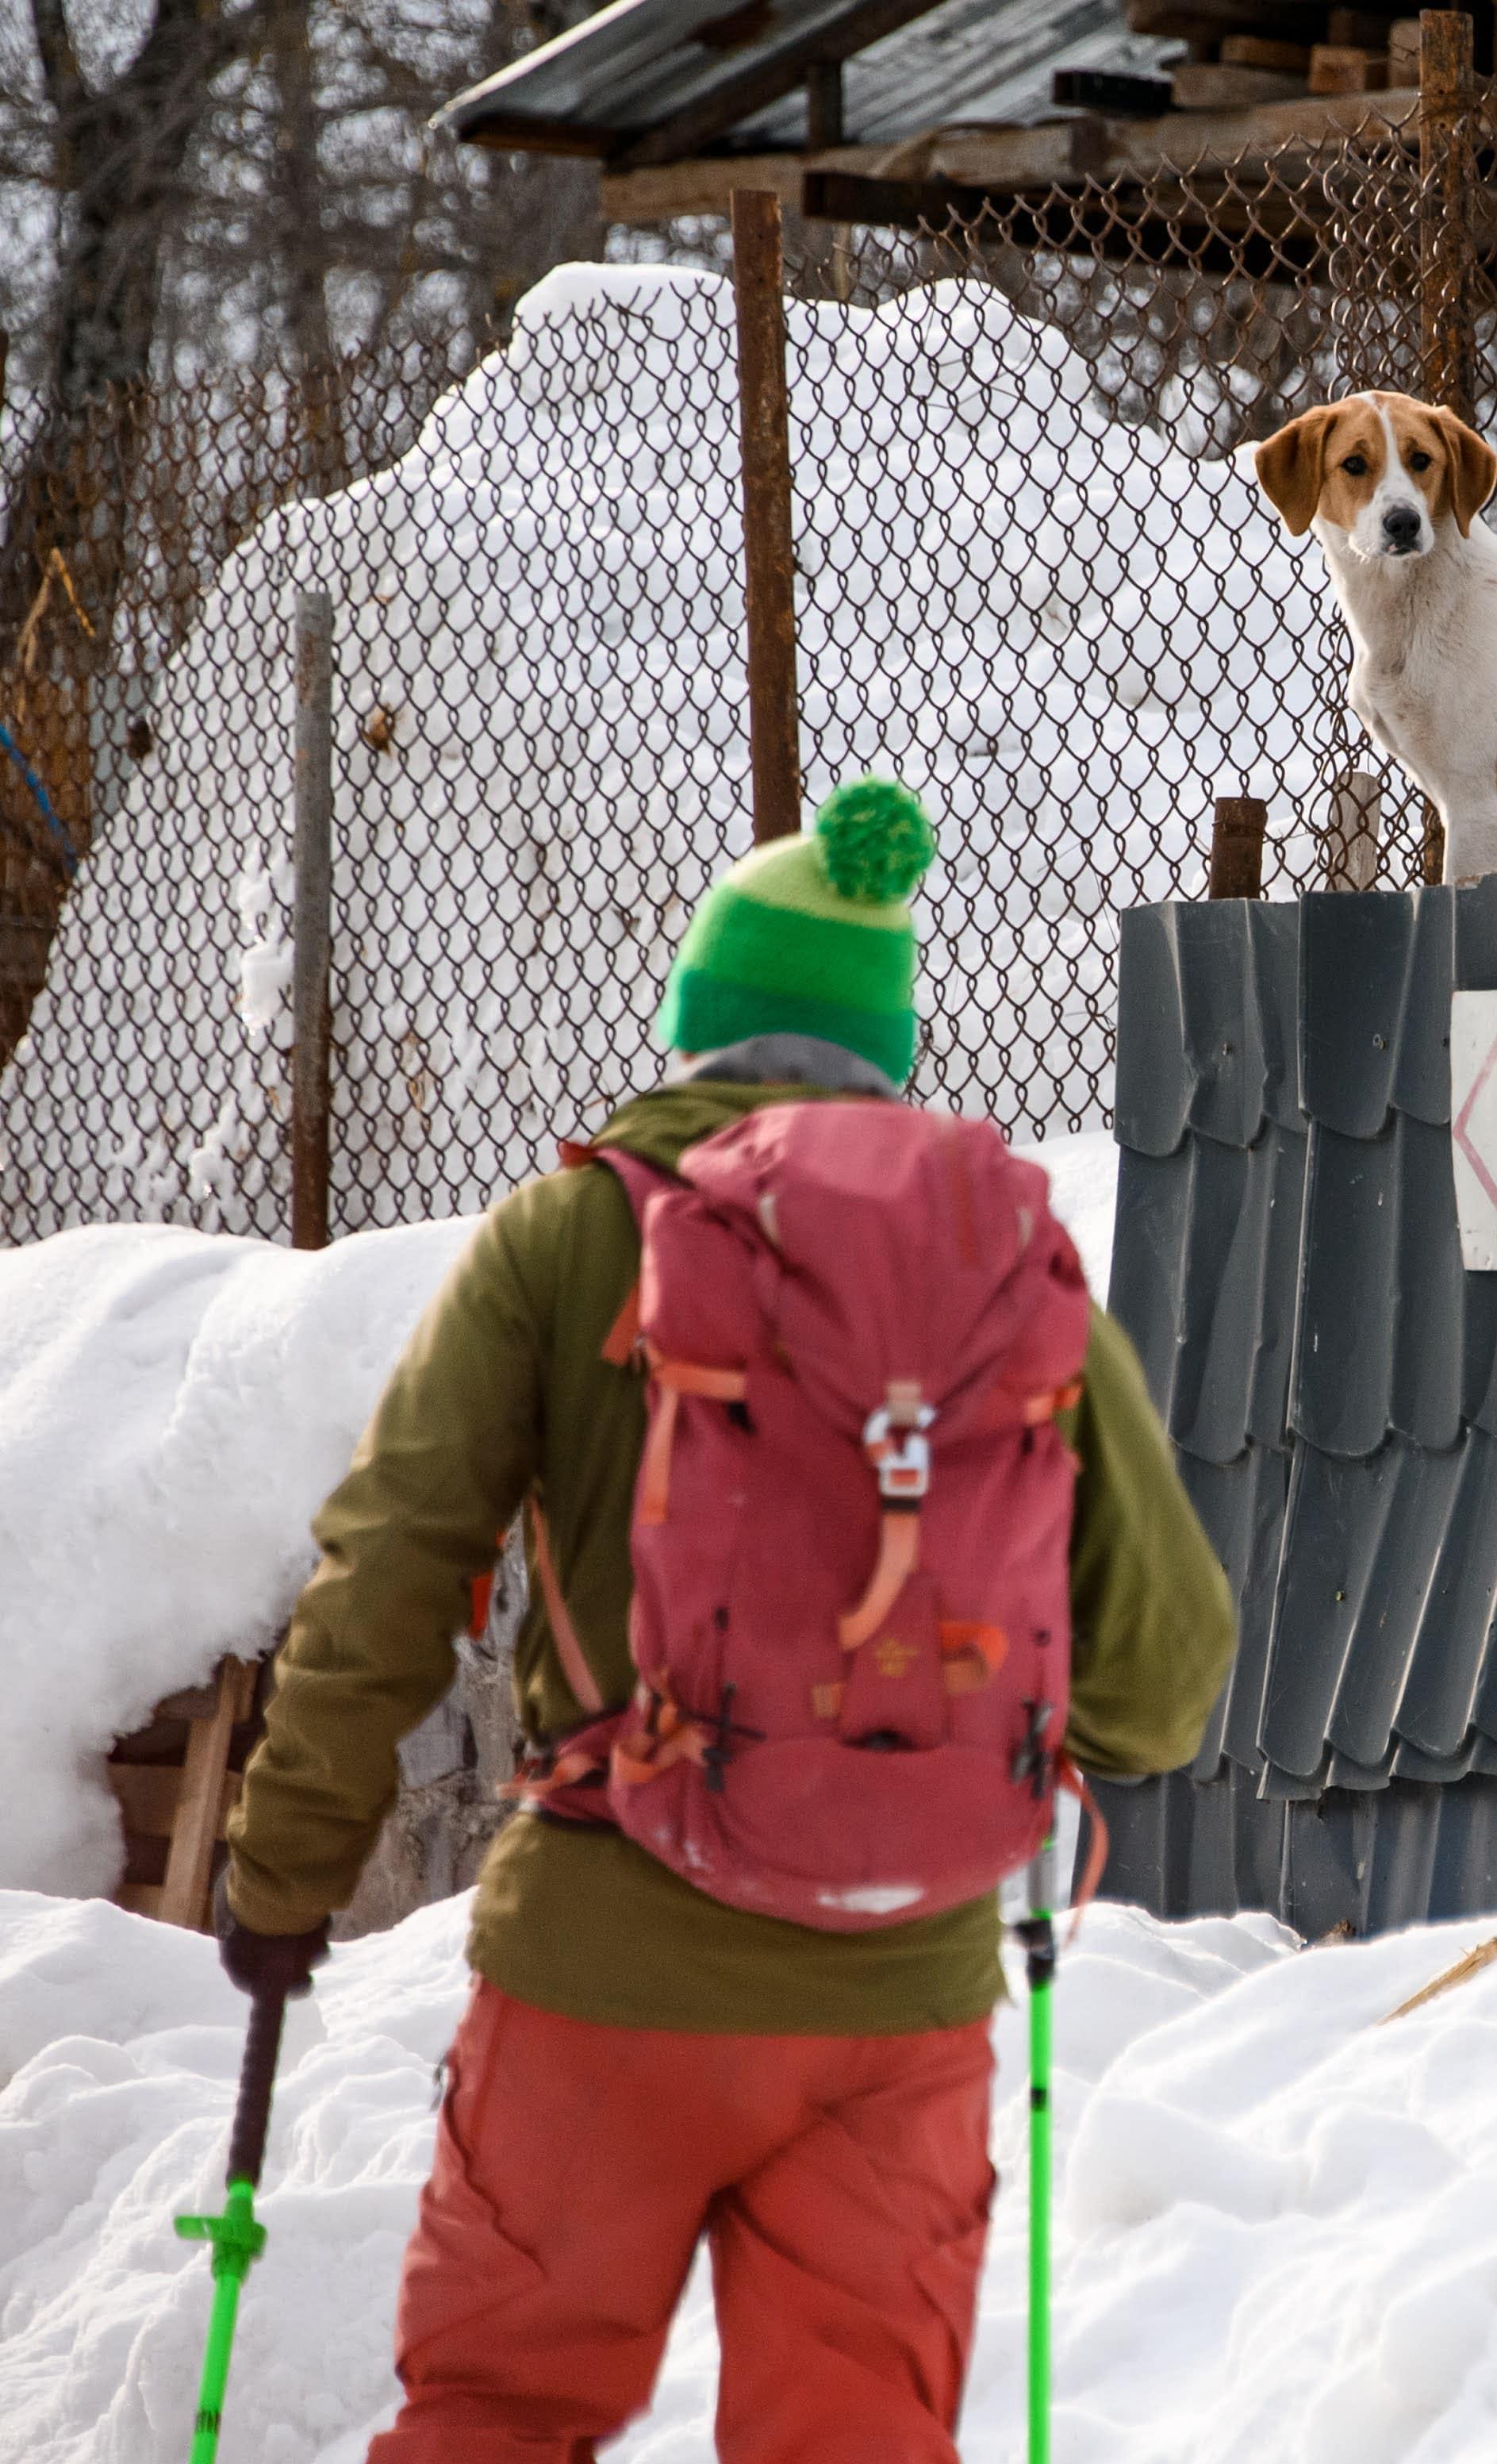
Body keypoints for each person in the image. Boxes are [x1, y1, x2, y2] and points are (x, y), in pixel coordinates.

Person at [215, 782, 1236, 2463]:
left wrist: (281, 1881)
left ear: (693, 1022)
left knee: (495, 2413)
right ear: (885, 1044)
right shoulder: (999, 1250)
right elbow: (1169, 1656)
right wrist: (1016, 1744)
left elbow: (388, 1575)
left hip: (602, 1966)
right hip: (899, 1992)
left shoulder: (565, 1237)